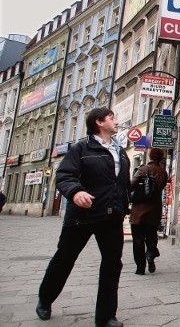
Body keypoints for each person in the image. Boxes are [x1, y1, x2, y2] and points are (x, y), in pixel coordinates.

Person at [36, 107, 130, 327]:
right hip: (82, 216)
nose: (116, 121)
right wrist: (76, 191)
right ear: (98, 122)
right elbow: (64, 175)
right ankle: (45, 298)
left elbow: (120, 183)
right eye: (111, 118)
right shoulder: (81, 148)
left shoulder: (120, 151)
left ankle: (106, 317)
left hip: (111, 216)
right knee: (64, 260)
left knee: (112, 265)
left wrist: (127, 201)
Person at [129, 147, 168, 275]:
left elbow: (130, 186)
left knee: (138, 239)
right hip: (154, 210)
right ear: (160, 158)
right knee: (151, 236)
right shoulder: (163, 172)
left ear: (150, 156)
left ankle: (140, 267)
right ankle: (150, 253)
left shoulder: (142, 169)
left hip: (139, 211)